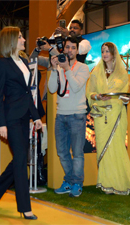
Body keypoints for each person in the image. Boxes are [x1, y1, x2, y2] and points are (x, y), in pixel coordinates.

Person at [0, 26, 42, 220]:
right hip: (10, 119)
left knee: (19, 160)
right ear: (11, 40)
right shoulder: (2, 64)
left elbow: (28, 94)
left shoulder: (24, 62)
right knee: (20, 160)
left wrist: (36, 117)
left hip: (24, 116)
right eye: (20, 37)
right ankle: (25, 207)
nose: (24, 40)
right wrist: (1, 123)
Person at [86, 42, 130, 196]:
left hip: (116, 114)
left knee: (116, 148)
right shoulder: (96, 73)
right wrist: (97, 96)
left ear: (113, 54)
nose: (105, 54)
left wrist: (124, 99)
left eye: (108, 51)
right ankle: (105, 183)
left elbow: (125, 97)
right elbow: (89, 92)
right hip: (100, 116)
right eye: (103, 51)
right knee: (103, 150)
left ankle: (120, 183)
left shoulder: (122, 74)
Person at [48, 36, 89, 197]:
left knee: (77, 153)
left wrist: (66, 69)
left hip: (77, 115)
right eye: (67, 47)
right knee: (62, 152)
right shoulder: (59, 67)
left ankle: (77, 183)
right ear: (63, 49)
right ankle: (69, 181)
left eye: (73, 47)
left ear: (77, 51)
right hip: (61, 115)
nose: (69, 50)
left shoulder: (83, 68)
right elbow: (52, 89)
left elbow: (77, 86)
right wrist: (53, 69)